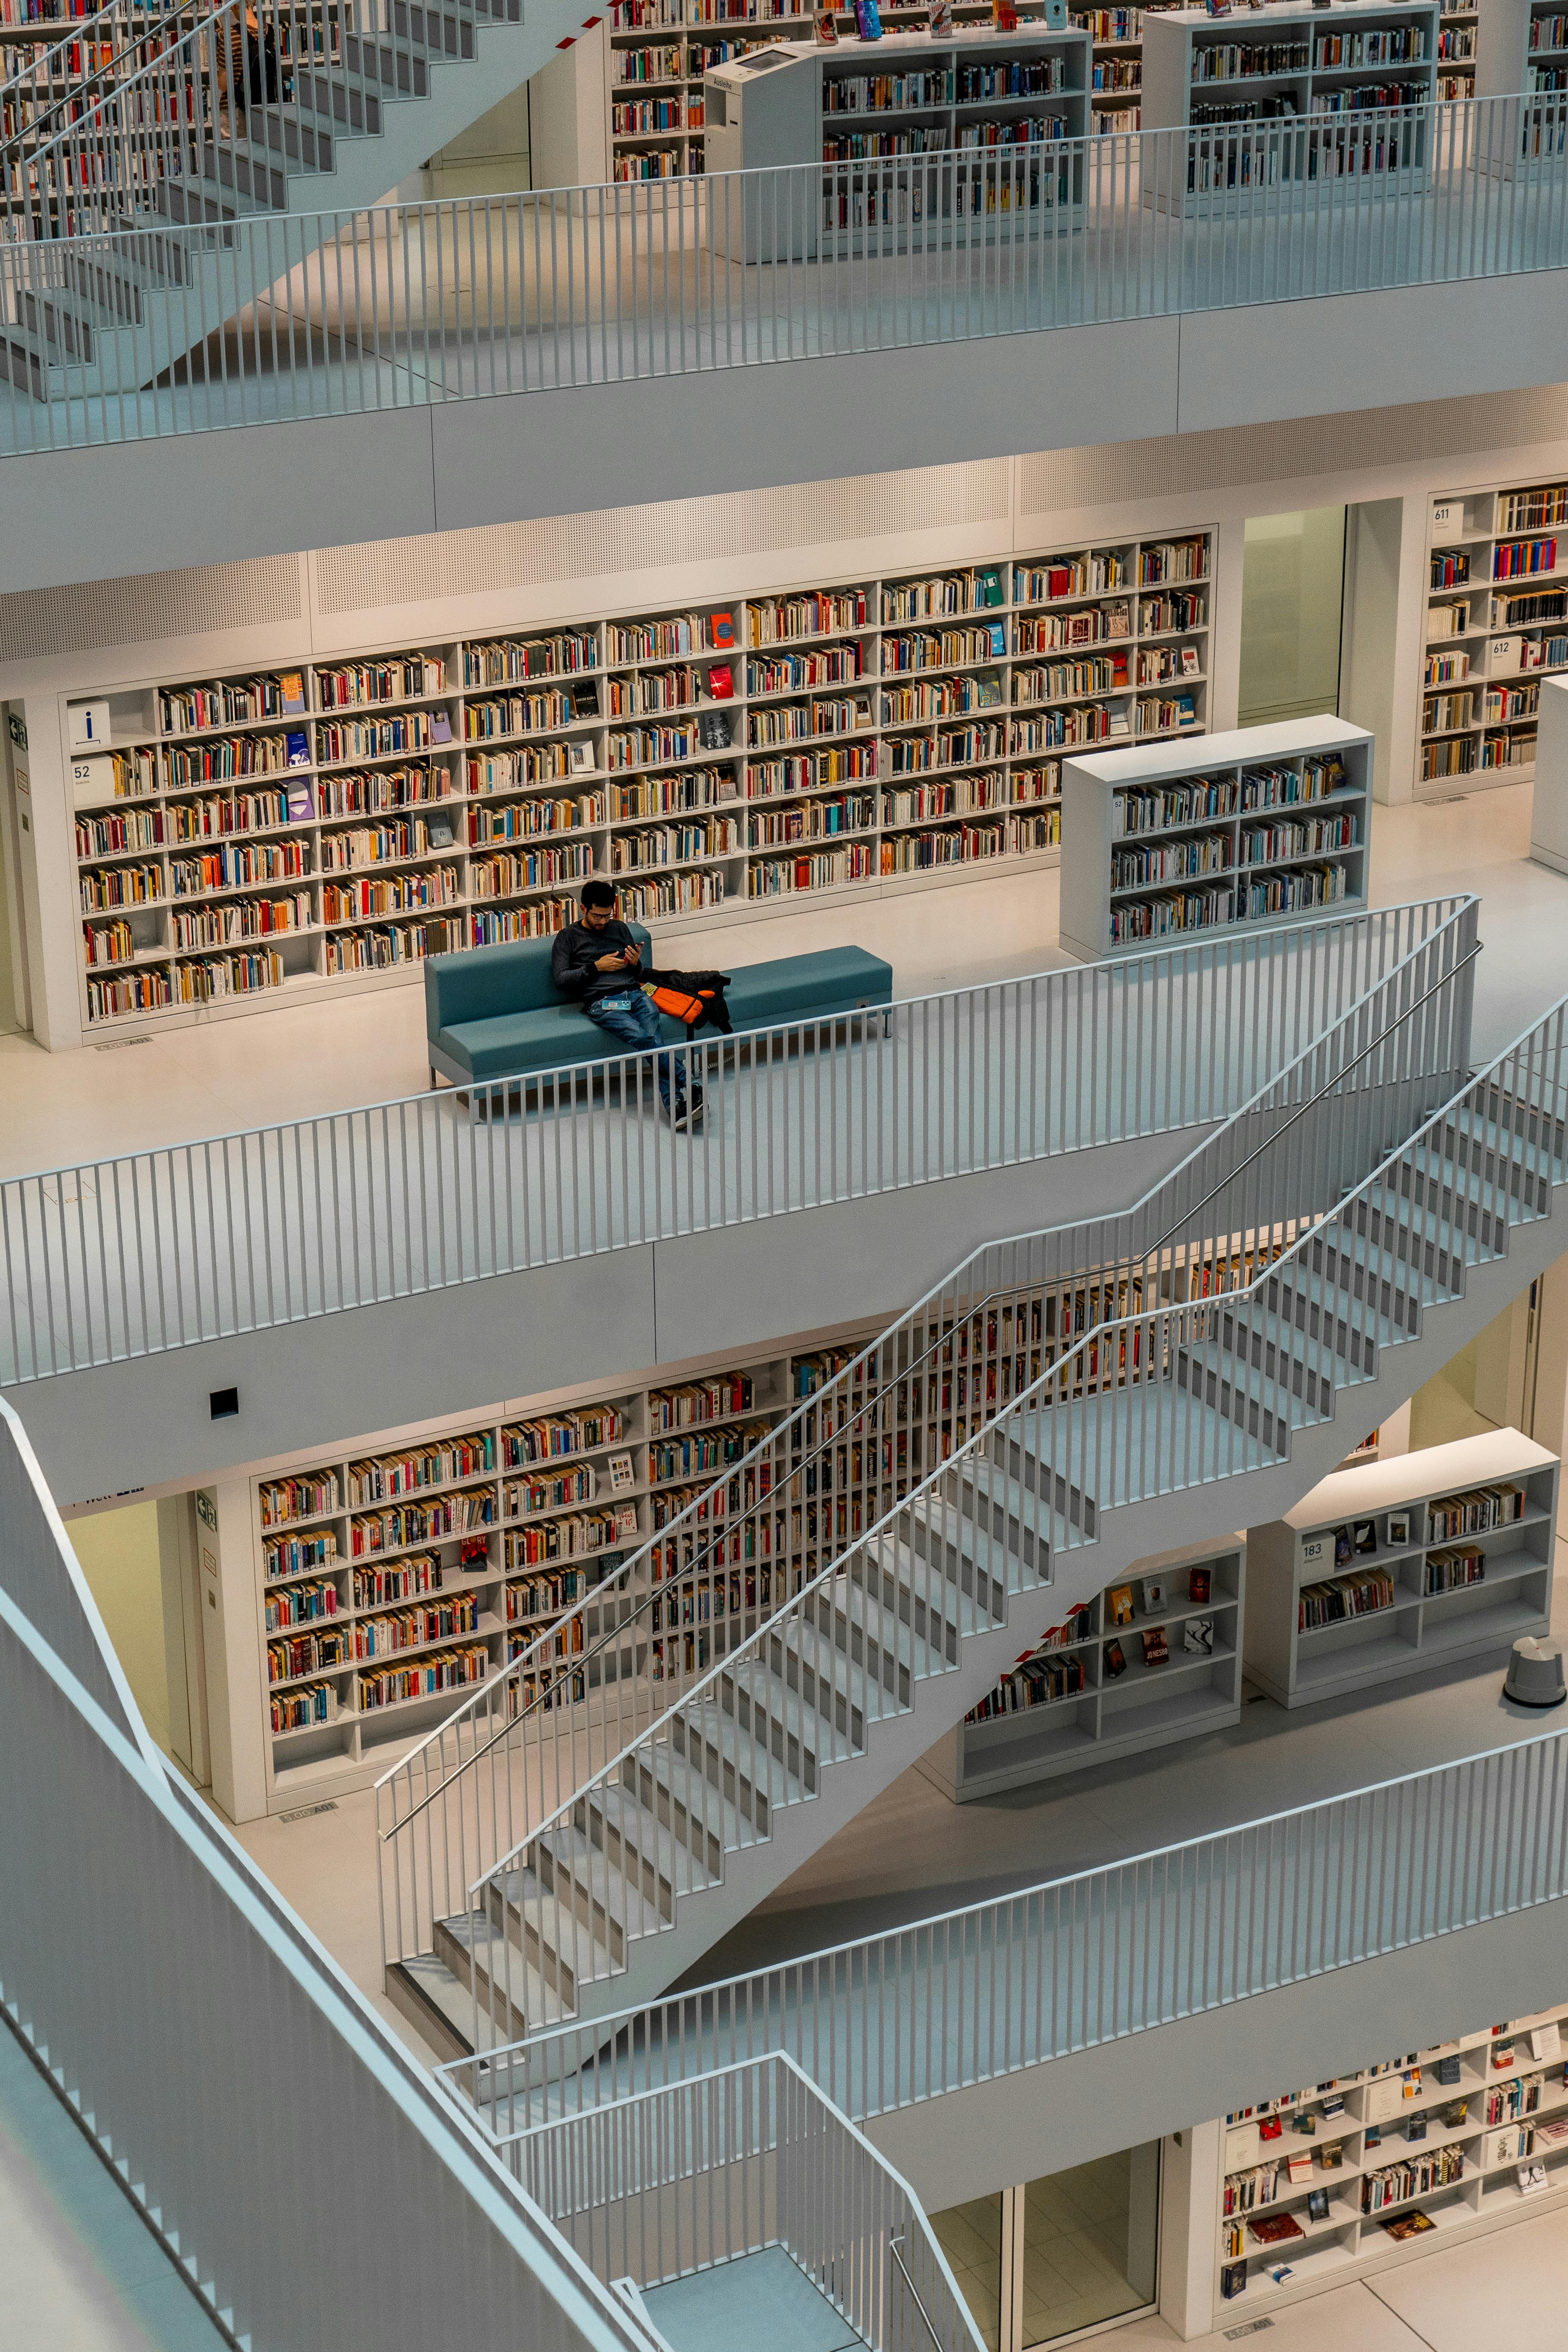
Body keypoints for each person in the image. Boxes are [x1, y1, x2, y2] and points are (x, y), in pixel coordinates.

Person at [551, 881, 704, 1129]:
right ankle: (690, 1082)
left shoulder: (620, 929)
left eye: (607, 915)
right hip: (605, 1001)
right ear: (583, 909)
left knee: (653, 1037)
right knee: (642, 1037)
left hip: (635, 992)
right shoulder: (567, 937)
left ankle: (677, 1108)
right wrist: (595, 967)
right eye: (598, 916)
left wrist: (635, 964)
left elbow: (640, 973)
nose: (603, 922)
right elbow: (560, 980)